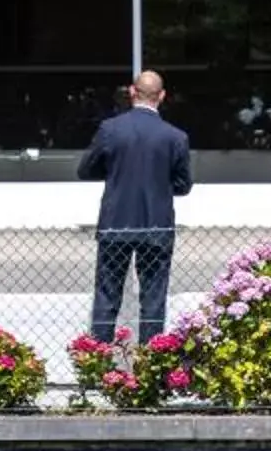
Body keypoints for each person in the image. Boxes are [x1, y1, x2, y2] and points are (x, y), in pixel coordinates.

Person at [78, 70, 192, 344]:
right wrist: (160, 186)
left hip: (116, 221)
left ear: (132, 92)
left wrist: (116, 175)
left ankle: (98, 364)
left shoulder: (110, 129)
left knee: (107, 295)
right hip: (157, 224)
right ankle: (151, 366)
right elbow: (184, 185)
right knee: (153, 299)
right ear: (162, 96)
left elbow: (85, 170)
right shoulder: (175, 137)